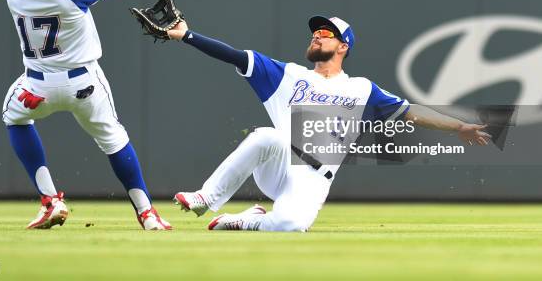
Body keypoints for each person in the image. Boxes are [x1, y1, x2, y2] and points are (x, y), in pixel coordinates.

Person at [166, 16, 490, 231]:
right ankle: (205, 198)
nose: (316, 37)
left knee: (290, 225)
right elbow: (234, 55)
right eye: (315, 34)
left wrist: (458, 127)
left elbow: (411, 112)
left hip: (314, 179)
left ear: (343, 47)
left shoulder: (361, 89)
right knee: (266, 136)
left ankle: (245, 221)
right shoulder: (288, 75)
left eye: (325, 34)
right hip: (281, 162)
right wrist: (187, 36)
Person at [2, 0, 172, 230]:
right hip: (84, 85)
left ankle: (50, 200)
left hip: (37, 87)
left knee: (13, 117)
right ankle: (147, 214)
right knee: (114, 140)